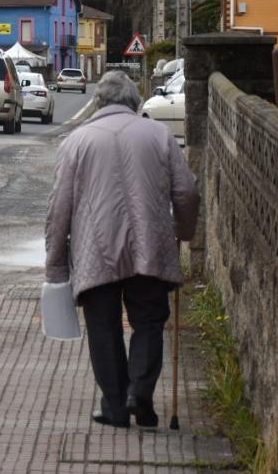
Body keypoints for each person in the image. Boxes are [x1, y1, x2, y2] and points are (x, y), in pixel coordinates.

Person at [45, 70, 200, 429]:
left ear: (97, 102)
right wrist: (184, 234)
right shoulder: (159, 134)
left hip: (95, 250)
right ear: (135, 101)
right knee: (148, 321)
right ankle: (140, 394)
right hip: (151, 245)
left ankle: (115, 407)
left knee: (103, 326)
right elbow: (187, 192)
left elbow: (58, 209)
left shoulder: (76, 141)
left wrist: (56, 267)